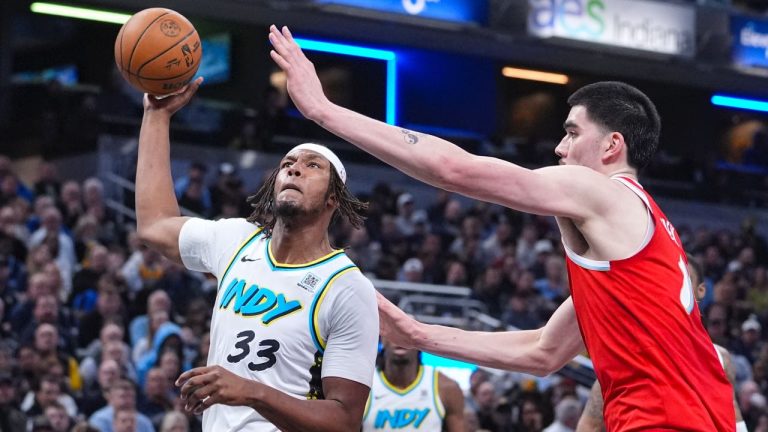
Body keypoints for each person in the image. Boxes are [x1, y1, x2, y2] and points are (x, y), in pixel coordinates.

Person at [268, 25, 734, 430]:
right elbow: (543, 352)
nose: (559, 148)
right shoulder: (640, 247)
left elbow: (456, 171)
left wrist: (324, 112)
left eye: (572, 133)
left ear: (613, 146)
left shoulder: (605, 192)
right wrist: (417, 332)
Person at [134, 77, 379, 431]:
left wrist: (253, 392)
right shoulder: (236, 240)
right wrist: (157, 117)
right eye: (288, 163)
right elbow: (154, 224)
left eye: (312, 166)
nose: (294, 168)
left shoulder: (347, 287)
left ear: (333, 199)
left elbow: (344, 421)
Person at [575, 255, 747, 432]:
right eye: (663, 280)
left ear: (700, 290)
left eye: (681, 280)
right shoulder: (625, 354)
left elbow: (735, 422)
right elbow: (589, 425)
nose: (671, 288)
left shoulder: (721, 359)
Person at [362, 338, 464, 431]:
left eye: (405, 332)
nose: (399, 337)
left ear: (419, 340)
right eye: (393, 331)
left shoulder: (446, 387)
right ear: (382, 338)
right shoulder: (363, 386)